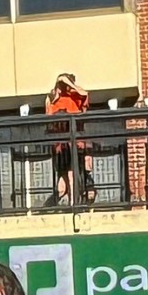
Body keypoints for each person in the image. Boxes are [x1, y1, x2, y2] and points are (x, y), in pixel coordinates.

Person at [45, 74, 90, 204]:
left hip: (74, 143)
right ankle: (51, 205)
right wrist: (58, 86)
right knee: (62, 182)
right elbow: (49, 113)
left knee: (71, 174)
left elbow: (84, 94)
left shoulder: (75, 96)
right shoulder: (53, 99)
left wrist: (69, 84)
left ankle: (73, 204)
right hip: (60, 145)